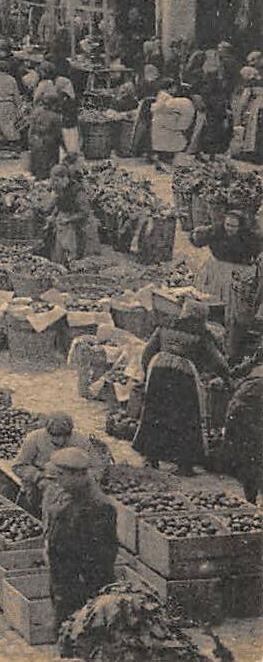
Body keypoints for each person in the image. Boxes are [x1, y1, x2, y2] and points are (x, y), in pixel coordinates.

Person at [133, 305, 229, 476]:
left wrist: (147, 373)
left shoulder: (166, 325)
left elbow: (147, 352)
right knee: (186, 418)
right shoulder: (202, 334)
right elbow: (219, 361)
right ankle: (184, 464)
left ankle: (151, 458)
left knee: (155, 412)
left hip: (158, 369)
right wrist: (227, 377)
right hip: (184, 375)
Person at [42, 447, 117, 630]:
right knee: (63, 620)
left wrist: (80, 579)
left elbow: (102, 555)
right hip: (63, 575)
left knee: (80, 628)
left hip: (80, 581)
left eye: (60, 474)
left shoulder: (99, 507)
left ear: (78, 475)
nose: (56, 479)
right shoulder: (64, 491)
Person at [192, 209, 263, 361]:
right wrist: (196, 234)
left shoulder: (251, 239)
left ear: (240, 227)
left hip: (237, 274)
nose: (229, 228)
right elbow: (196, 240)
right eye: (227, 225)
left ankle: (230, 350)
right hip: (215, 271)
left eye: (233, 226)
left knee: (233, 312)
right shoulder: (216, 231)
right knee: (207, 305)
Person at [13, 412, 100, 518]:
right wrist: (38, 476)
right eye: (55, 436)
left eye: (65, 436)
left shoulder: (80, 441)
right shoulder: (34, 439)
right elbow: (19, 466)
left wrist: (80, 481)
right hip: (42, 481)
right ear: (47, 432)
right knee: (37, 503)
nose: (60, 441)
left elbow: (96, 467)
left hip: (72, 484)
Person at [224, 360, 263, 503]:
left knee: (251, 454)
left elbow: (239, 370)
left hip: (243, 399)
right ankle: (251, 500)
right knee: (254, 453)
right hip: (249, 402)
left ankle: (250, 499)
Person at [150, 82, 196, 169]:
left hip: (164, 128)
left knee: (166, 147)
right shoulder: (174, 101)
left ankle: (162, 161)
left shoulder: (168, 100)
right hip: (169, 128)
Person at [28, 94, 65, 181]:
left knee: (38, 171)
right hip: (49, 146)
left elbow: (31, 131)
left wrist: (31, 142)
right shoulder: (55, 117)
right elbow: (59, 134)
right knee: (49, 172)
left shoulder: (36, 113)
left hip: (36, 144)